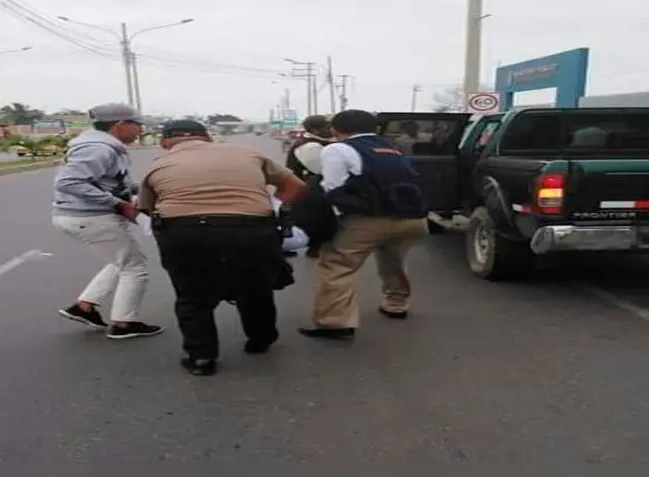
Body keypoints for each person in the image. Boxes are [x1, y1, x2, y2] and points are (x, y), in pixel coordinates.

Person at [137, 120, 306, 376]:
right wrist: (272, 208)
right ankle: (261, 340)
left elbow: (148, 208)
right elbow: (296, 186)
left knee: (192, 296)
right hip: (251, 228)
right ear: (208, 137)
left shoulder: (159, 164)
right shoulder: (247, 152)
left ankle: (202, 358)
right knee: (255, 288)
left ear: (165, 142)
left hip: (186, 232)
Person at [298, 109, 430, 340]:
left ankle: (335, 323)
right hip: (413, 220)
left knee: (337, 265)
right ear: (376, 129)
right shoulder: (392, 147)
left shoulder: (337, 149)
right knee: (392, 259)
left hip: (368, 221)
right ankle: (396, 304)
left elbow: (333, 188)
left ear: (336, 130)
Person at [51, 103, 163, 340]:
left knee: (122, 260)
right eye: (137, 124)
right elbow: (69, 183)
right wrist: (118, 203)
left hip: (83, 215)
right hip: (91, 216)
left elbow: (110, 181)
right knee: (135, 267)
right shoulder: (98, 149)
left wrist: (147, 190)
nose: (140, 130)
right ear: (120, 124)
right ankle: (124, 323)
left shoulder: (104, 147)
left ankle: (84, 306)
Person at [285, 115, 334, 180]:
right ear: (315, 131)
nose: (332, 130)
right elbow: (323, 170)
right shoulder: (309, 147)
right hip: (305, 187)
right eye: (328, 128)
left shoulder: (317, 141)